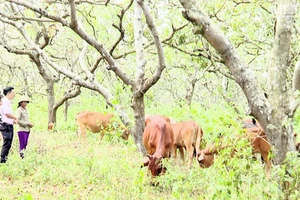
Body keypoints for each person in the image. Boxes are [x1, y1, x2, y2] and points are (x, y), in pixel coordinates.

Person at [0, 87, 17, 163]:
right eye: (13, 93)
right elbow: (7, 114)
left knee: (8, 143)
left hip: (8, 124)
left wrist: (12, 120)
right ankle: (2, 160)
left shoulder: (8, 102)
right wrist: (15, 117)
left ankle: (4, 159)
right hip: (5, 125)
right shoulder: (5, 101)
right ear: (9, 93)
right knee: (7, 143)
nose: (14, 95)